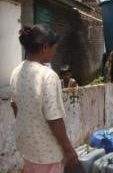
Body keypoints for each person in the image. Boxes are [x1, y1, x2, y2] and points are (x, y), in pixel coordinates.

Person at [10, 24, 78, 173]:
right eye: (55, 48)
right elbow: (54, 119)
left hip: (27, 146)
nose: (55, 52)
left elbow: (15, 107)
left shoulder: (16, 72)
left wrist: (29, 128)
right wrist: (68, 149)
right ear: (45, 47)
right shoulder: (48, 76)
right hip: (47, 153)